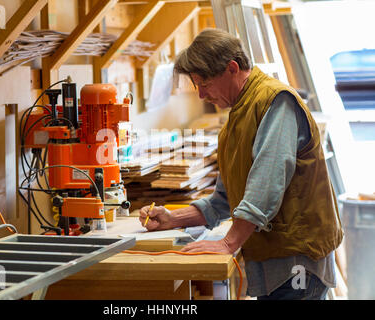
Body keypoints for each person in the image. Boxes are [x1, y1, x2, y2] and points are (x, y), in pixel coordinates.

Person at [139, 28, 344, 300]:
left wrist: (228, 242)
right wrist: (173, 219)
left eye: (204, 84)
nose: (201, 95)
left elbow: (266, 184)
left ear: (232, 68)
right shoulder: (238, 115)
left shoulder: (275, 101)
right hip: (275, 261)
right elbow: (224, 200)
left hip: (297, 264)